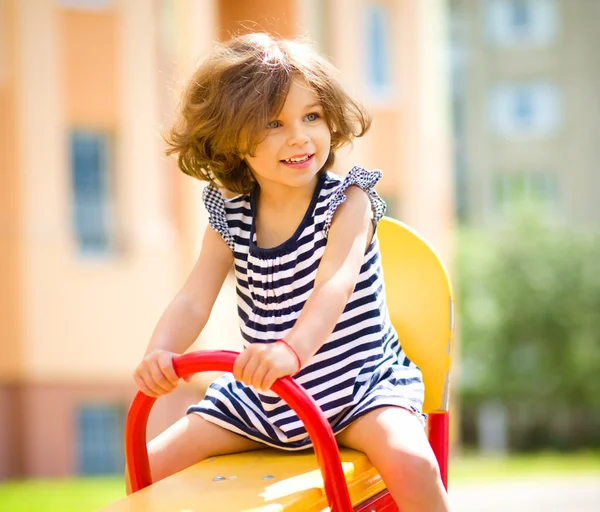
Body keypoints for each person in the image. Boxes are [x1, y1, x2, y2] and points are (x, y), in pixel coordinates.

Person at [132, 32, 450, 511]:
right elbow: (193, 299)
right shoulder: (230, 217)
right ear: (232, 138)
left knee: (412, 461)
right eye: (273, 124)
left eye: (312, 116)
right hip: (264, 400)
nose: (299, 136)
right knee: (145, 466)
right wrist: (161, 352)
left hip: (358, 390)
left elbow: (334, 286)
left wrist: (291, 350)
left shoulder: (348, 202)